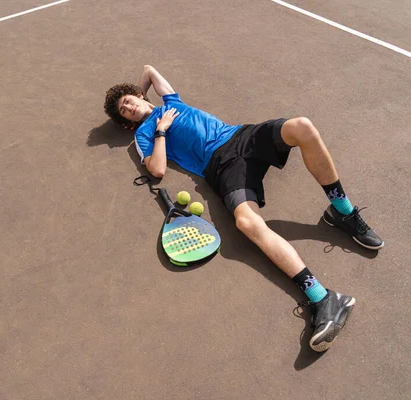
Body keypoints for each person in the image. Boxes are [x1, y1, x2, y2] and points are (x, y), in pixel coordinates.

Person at [104, 65, 384, 352]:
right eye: (124, 110)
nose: (129, 105)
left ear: (139, 94)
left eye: (129, 99)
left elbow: (149, 70)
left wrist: (140, 93)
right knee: (247, 223)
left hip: (241, 136)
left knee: (303, 126)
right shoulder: (144, 136)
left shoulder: (171, 102)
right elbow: (157, 169)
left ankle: (342, 210)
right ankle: (323, 298)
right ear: (127, 122)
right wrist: (160, 130)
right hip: (221, 167)